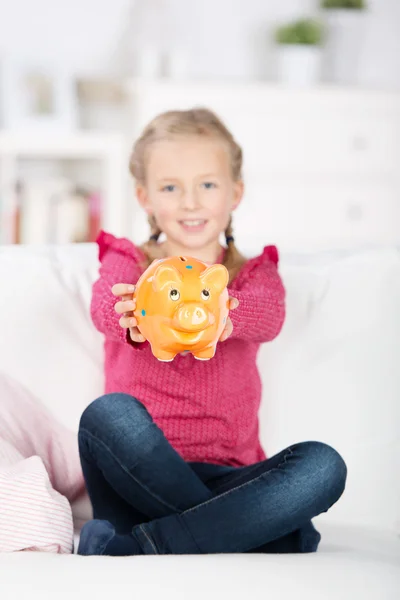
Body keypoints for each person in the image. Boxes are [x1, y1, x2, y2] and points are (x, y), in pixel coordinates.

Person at [77, 108, 347, 556]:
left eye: (207, 184)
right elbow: (105, 306)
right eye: (170, 187)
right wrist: (133, 313)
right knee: (109, 415)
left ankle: (144, 545)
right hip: (135, 475)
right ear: (144, 197)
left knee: (323, 465)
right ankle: (254, 530)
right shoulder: (130, 261)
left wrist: (218, 313)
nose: (190, 202)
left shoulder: (250, 275)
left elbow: (269, 316)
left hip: (231, 476)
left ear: (235, 192)